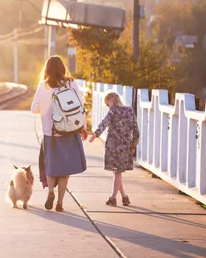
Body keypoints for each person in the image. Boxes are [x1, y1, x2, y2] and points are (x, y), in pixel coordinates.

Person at [31, 55, 87, 212]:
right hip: (69, 131)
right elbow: (80, 106)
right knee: (65, 171)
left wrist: (47, 110)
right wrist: (84, 127)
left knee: (51, 167)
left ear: (47, 69)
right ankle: (60, 202)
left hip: (50, 134)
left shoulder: (44, 86)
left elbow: (34, 109)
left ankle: (50, 192)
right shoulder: (71, 83)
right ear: (63, 68)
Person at [89, 92, 140, 206]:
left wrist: (95, 134)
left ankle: (112, 198)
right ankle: (124, 197)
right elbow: (136, 131)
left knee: (117, 172)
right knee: (118, 172)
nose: (109, 107)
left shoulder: (113, 110)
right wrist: (133, 145)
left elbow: (104, 122)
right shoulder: (130, 110)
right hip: (125, 146)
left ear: (111, 99)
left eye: (108, 104)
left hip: (113, 146)